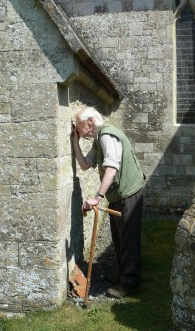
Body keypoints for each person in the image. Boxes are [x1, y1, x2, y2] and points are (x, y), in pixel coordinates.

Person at [71, 106, 145, 298]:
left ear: (90, 122)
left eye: (78, 125)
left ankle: (130, 284)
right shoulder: (98, 140)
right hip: (118, 194)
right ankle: (123, 273)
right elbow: (85, 165)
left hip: (129, 192)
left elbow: (111, 168)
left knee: (128, 239)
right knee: (119, 237)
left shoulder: (107, 136)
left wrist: (98, 197)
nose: (77, 128)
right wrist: (75, 142)